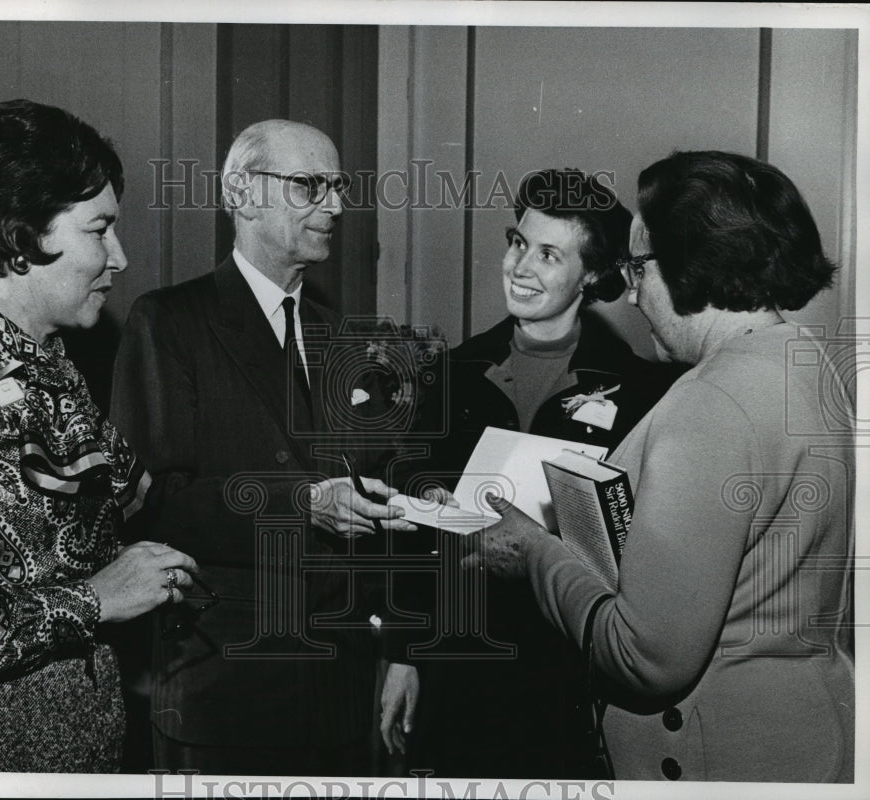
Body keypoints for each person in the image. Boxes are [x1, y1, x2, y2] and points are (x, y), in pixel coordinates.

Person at [466, 151, 854, 782]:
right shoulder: (806, 366)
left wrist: (532, 552)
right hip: (801, 735)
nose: (635, 293)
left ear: (691, 262)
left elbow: (645, 657)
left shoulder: (711, 401)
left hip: (713, 752)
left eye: (638, 268)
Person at [0, 99, 199, 772]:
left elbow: (143, 496)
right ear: (23, 235)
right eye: (100, 230)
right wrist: (94, 600)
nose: (120, 256)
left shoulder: (56, 374)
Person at [110, 119, 415, 776]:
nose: (335, 206)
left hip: (340, 695)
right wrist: (302, 504)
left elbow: (363, 486)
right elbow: (154, 503)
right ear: (244, 196)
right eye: (310, 186)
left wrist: (415, 505)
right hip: (224, 690)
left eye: (338, 187)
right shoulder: (170, 323)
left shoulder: (342, 335)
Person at [379, 169, 682, 777]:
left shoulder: (641, 392)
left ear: (592, 275)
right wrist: (404, 655)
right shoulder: (454, 373)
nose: (520, 266)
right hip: (460, 665)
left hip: (571, 673)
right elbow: (408, 532)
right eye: (518, 242)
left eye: (549, 254)